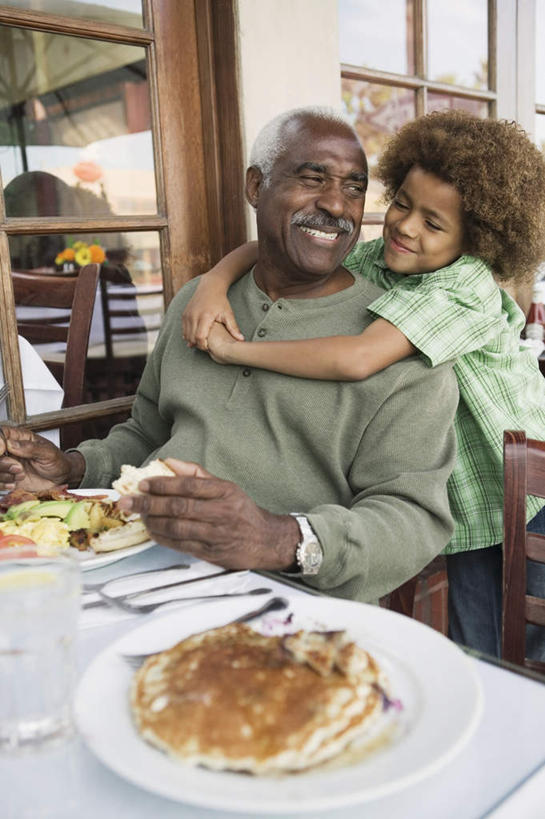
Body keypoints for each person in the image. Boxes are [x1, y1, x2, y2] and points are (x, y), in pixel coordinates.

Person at [0, 107, 458, 604]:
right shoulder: (198, 302)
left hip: (280, 605)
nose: (337, 205)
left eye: (354, 187)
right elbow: (147, 434)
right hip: (130, 571)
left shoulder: (402, 343)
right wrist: (69, 471)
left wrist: (276, 537)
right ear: (256, 187)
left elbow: (413, 518)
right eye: (313, 178)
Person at [181, 109, 545, 656]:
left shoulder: (463, 285)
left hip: (519, 488)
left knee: (522, 645)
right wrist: (214, 281)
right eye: (402, 203)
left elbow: (357, 358)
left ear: (476, 240)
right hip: (463, 496)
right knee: (476, 640)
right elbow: (275, 245)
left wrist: (238, 350)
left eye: (434, 223)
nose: (405, 226)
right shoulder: (387, 258)